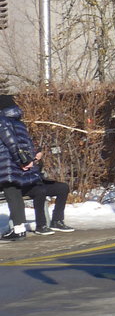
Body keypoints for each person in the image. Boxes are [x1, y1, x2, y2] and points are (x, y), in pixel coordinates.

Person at [0, 95, 72, 239]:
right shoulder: (19, 123)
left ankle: (19, 229)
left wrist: (24, 161)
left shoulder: (2, 121)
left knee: (12, 192)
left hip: (9, 166)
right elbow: (25, 145)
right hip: (20, 167)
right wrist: (30, 158)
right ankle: (23, 228)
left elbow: (12, 144)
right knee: (15, 192)